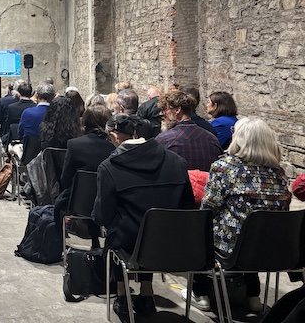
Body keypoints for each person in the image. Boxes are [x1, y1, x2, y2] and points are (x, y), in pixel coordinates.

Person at [183, 117, 291, 313]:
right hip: (274, 248)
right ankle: (253, 295)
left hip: (233, 248)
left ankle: (200, 292)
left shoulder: (226, 167)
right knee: (253, 230)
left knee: (202, 228)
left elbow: (209, 207)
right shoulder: (279, 173)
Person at [93, 114, 195, 317]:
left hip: (131, 245)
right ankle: (146, 294)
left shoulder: (109, 167)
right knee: (152, 227)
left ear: (114, 137)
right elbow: (188, 207)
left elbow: (102, 216)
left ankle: (122, 296)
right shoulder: (177, 162)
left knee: (122, 231)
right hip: (174, 246)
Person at [54, 105, 114, 245]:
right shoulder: (114, 146)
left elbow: (65, 178)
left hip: (78, 202)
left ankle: (59, 242)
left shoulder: (75, 145)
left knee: (58, 203)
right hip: (108, 201)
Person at [156, 90, 222, 172]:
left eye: (164, 109)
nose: (161, 114)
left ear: (177, 110)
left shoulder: (164, 139)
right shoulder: (211, 139)